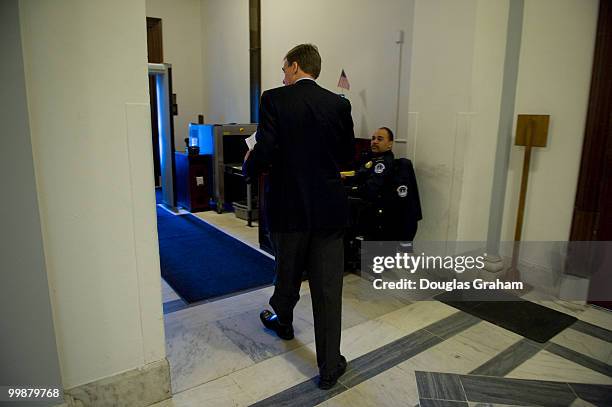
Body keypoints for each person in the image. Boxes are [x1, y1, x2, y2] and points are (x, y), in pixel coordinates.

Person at [243, 44, 355, 390]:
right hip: (328, 209)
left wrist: (250, 166)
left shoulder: (274, 99)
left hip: (288, 207)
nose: (282, 75)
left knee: (287, 272)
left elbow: (267, 148)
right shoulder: (339, 104)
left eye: (284, 68)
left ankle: (283, 319)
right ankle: (329, 366)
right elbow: (346, 156)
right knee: (327, 289)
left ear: (294, 66)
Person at [352, 127, 421, 242]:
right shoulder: (369, 161)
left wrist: (346, 189)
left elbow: (370, 189)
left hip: (387, 225)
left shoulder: (384, 163)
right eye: (373, 139)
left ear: (390, 144)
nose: (374, 141)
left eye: (380, 139)